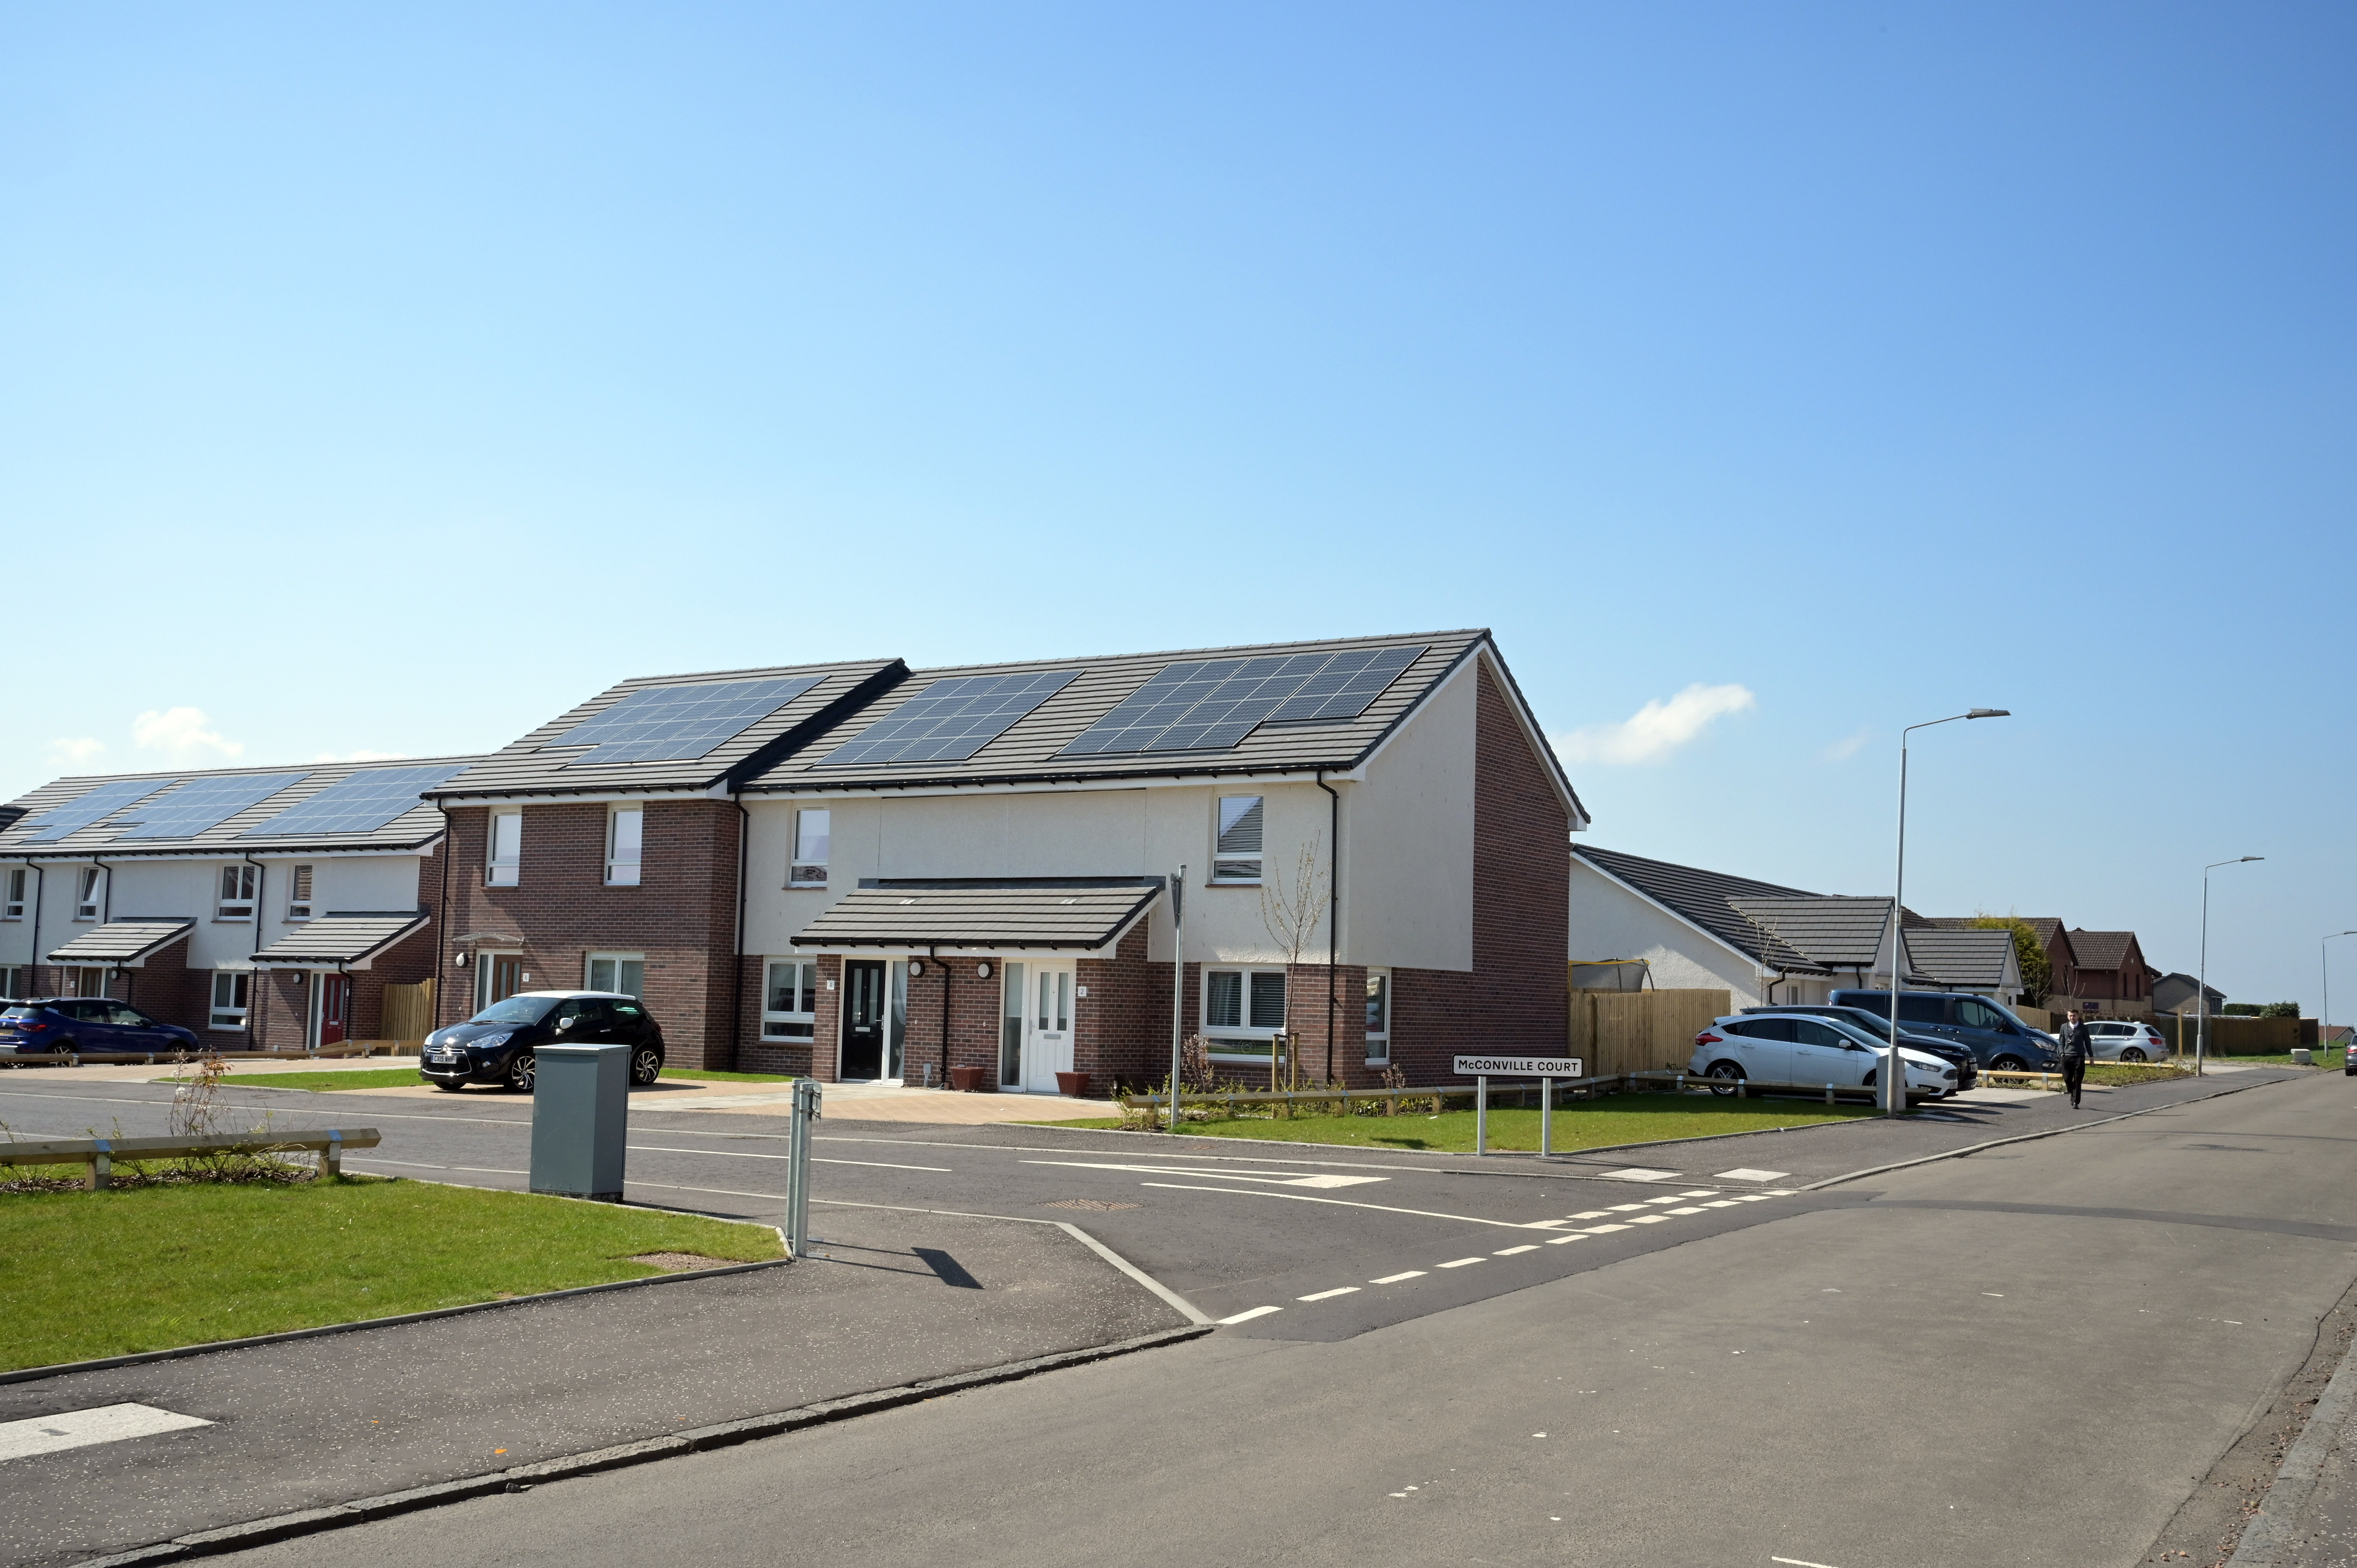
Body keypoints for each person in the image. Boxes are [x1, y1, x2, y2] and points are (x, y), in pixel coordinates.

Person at [2058, 1009, 2093, 1109]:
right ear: (2068, 1017)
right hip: (2067, 1057)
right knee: (2067, 1078)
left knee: (2078, 1080)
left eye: (2074, 1016)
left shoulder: (2083, 1028)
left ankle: (2075, 1102)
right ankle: (2072, 1091)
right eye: (2070, 1016)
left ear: (2078, 1016)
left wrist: (2091, 1057)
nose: (2072, 1018)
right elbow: (2061, 1042)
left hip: (2079, 1057)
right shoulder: (2064, 1027)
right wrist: (2062, 1054)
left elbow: (2088, 1043)